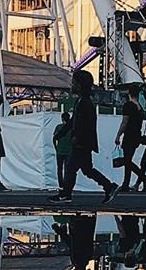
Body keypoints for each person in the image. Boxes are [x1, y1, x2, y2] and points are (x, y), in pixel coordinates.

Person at [51, 69, 119, 203]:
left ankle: (66, 194)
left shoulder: (84, 103)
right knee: (87, 169)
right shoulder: (82, 102)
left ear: (80, 85)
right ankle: (109, 186)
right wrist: (62, 133)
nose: (72, 86)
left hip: (81, 142)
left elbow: (85, 124)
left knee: (71, 167)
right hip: (84, 142)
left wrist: (75, 137)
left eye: (74, 83)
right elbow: (73, 122)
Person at [114, 86, 146, 193]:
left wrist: (118, 135)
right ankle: (127, 182)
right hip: (136, 135)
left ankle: (143, 178)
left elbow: (125, 122)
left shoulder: (128, 106)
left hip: (129, 135)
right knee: (128, 159)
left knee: (126, 160)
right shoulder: (139, 107)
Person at [52, 110, 73, 193]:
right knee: (68, 169)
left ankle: (61, 185)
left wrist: (56, 148)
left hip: (60, 151)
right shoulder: (72, 128)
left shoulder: (59, 127)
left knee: (60, 169)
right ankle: (66, 185)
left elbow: (54, 138)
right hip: (69, 152)